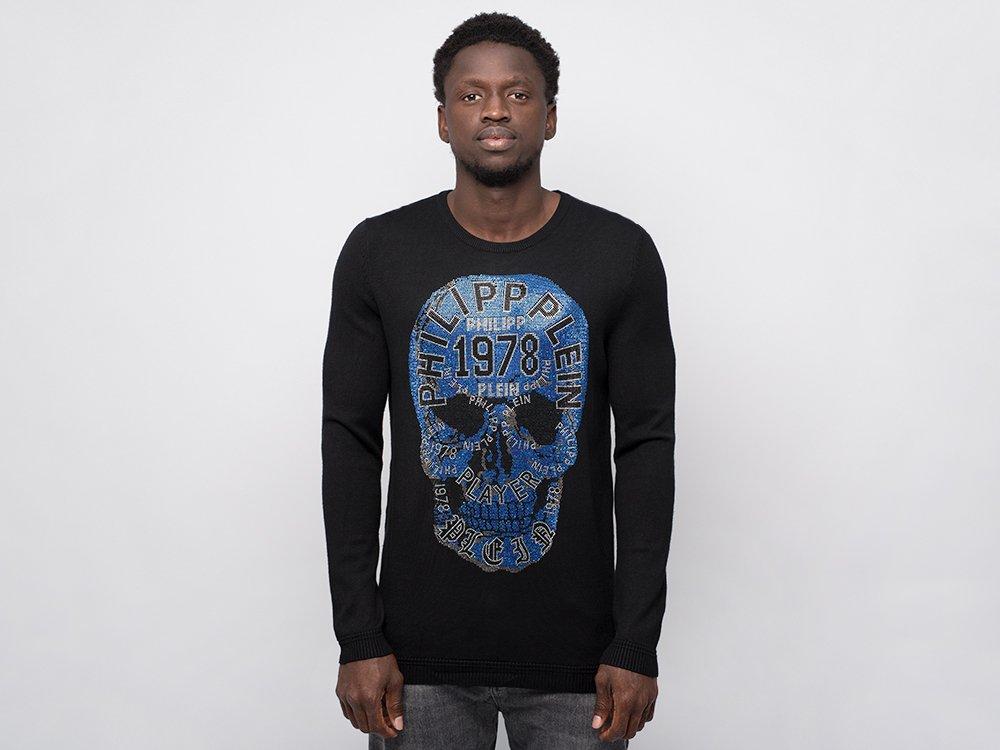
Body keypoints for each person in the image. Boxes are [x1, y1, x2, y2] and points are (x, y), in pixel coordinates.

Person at [321, 12, 676, 749]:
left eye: (517, 94)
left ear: (549, 117)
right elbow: (349, 442)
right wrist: (358, 636)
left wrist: (635, 643)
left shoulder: (620, 253)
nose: (494, 110)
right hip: (413, 661)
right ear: (442, 120)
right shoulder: (379, 252)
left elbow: (646, 446)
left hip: (584, 662)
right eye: (471, 94)